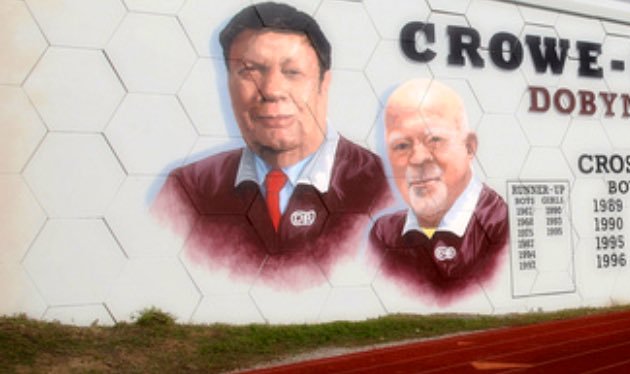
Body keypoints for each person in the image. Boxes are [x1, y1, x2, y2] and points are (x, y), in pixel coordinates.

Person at [153, 2, 392, 289]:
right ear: (227, 83)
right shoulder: (187, 190)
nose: (271, 91)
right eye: (250, 71)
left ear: (323, 85)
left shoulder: (384, 188)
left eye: (292, 72)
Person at [369, 79, 509, 305]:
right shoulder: (383, 235)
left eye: (434, 140)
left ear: (469, 147)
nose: (418, 158)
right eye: (402, 146)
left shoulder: (502, 225)